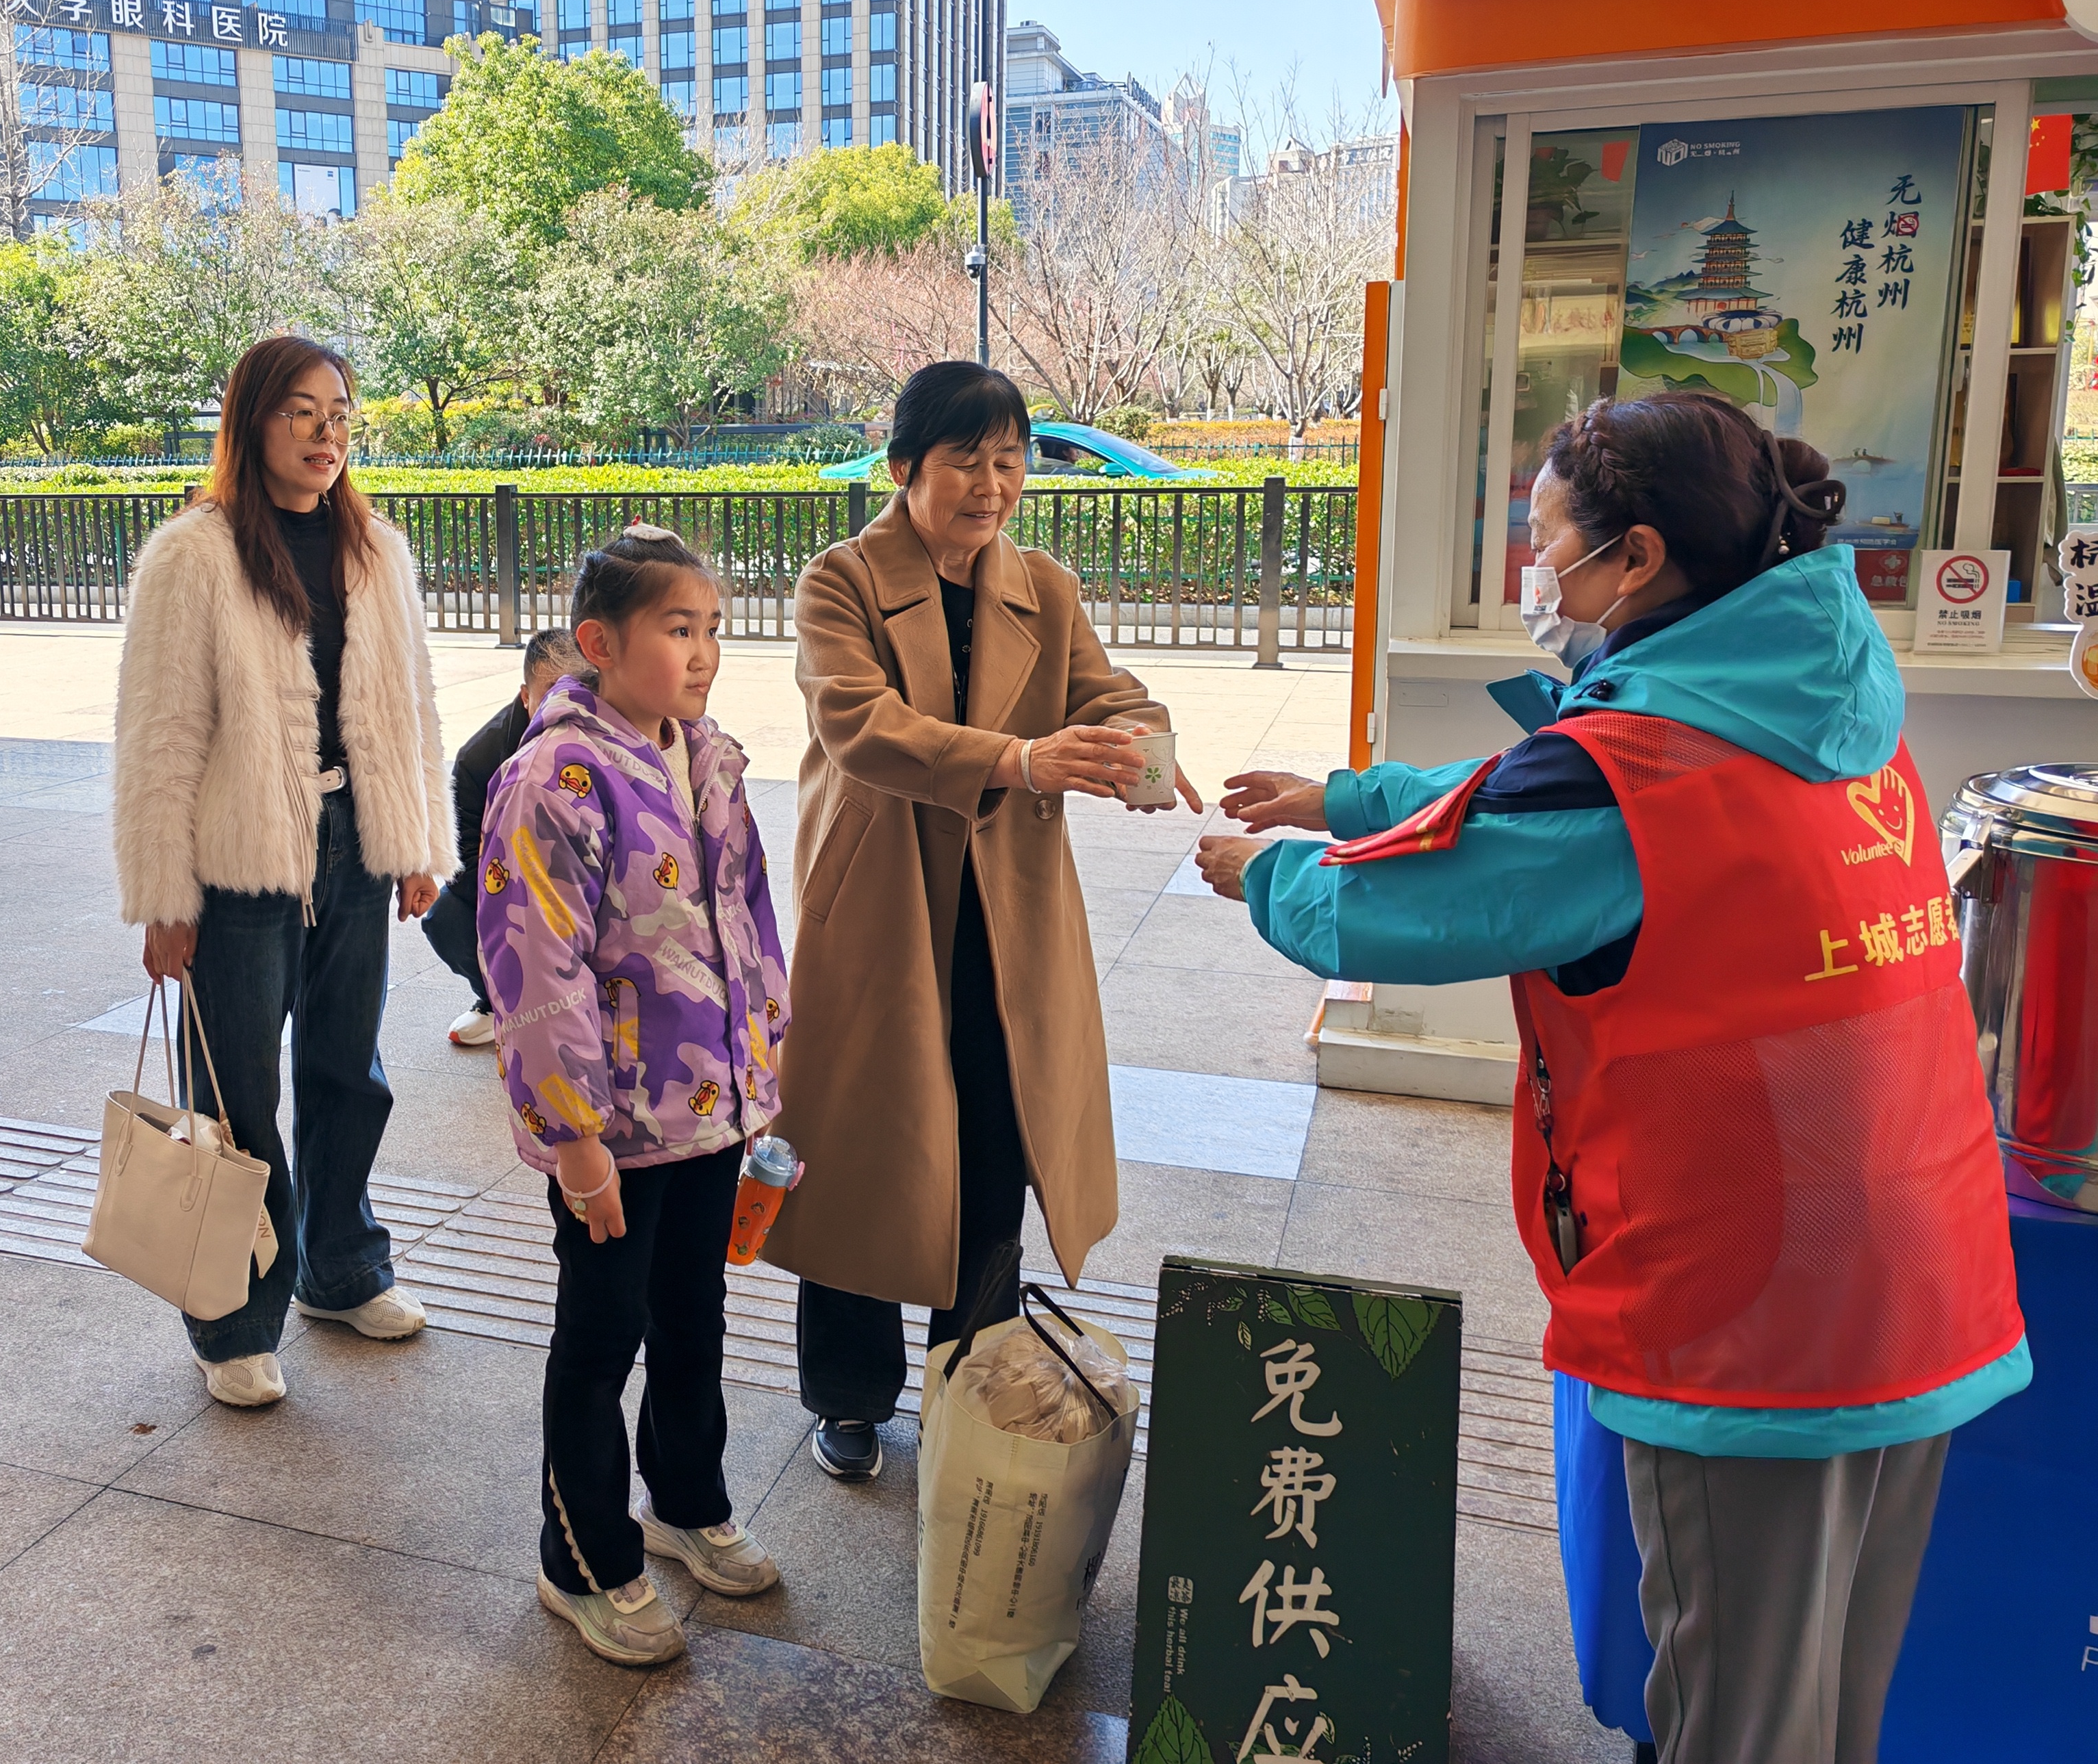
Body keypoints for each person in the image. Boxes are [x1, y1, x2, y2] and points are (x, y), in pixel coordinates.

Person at [1201, 392, 2027, 1764]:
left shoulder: (1639, 776)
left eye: (1546, 543)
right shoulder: (1820, 701)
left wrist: (1270, 874)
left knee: (1735, 1717)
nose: (1536, 575)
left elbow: (1421, 904)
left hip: (1760, 1309)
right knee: (1829, 1696)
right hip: (1921, 1266)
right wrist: (1347, 797)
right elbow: (1539, 790)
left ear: (1633, 556)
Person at [766, 361, 1202, 1482]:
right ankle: (849, 1396)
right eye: (966, 460)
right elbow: (861, 726)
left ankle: (970, 1386)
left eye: (1009, 461)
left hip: (1007, 914)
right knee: (864, 1153)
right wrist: (1022, 758)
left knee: (995, 1149)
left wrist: (1142, 747)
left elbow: (1107, 693)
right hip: (882, 910)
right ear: (903, 467)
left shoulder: (1042, 586)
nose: (992, 484)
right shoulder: (839, 581)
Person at [112, 333, 455, 1409]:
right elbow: (161, 734)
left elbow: (412, 705)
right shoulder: (194, 554)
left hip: (354, 840)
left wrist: (417, 842)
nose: (326, 433)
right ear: (252, 422)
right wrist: (165, 897)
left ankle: (341, 1269)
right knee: (237, 1093)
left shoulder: (376, 549)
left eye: (340, 412)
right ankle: (233, 1318)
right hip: (240, 858)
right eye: (301, 411)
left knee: (350, 1071)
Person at [478, 526, 791, 1667]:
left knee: (693, 1314)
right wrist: (575, 1144)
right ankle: (583, 1560)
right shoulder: (554, 779)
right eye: (676, 628)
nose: (702, 652)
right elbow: (533, 969)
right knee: (601, 1337)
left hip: (709, 1109)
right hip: (612, 1130)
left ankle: (686, 1501)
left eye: (712, 628)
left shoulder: (707, 760)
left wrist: (763, 1059)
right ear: (600, 644)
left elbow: (750, 923)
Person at [422, 626, 585, 1048]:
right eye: (551, 693)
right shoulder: (479, 759)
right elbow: (462, 862)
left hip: (590, 891)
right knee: (445, 918)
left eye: (580, 691)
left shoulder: (614, 740)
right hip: (514, 889)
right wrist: (528, 905)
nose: (566, 706)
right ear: (525, 696)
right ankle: (500, 1000)